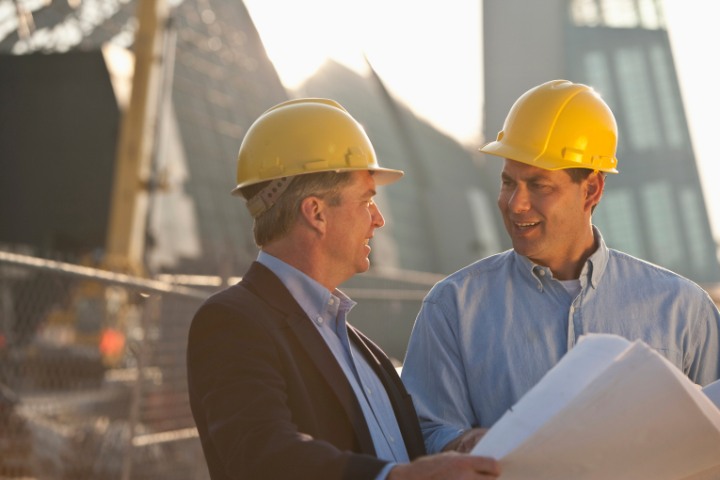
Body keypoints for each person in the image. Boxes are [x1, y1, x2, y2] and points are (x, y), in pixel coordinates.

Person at [186, 98, 501, 480]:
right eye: (367, 200)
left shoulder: (358, 347)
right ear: (316, 212)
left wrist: (456, 446)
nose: (379, 219)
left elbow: (386, 445)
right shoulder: (233, 322)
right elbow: (261, 455)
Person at [400, 79, 720, 454]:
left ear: (591, 191)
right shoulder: (453, 308)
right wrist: (470, 444)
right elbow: (424, 437)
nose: (515, 204)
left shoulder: (684, 310)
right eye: (508, 183)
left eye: (539, 186)